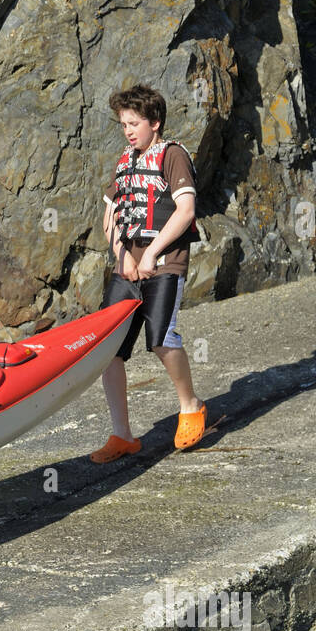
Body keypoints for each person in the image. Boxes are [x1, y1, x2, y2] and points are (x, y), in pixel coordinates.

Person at [92, 84, 208, 463]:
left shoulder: (172, 156)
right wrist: (121, 253)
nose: (127, 130)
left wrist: (152, 253)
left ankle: (191, 407)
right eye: (123, 123)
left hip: (164, 263)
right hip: (127, 265)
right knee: (109, 351)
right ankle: (122, 434)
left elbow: (186, 211)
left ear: (154, 122)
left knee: (162, 338)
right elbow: (110, 215)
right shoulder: (125, 160)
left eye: (134, 123)